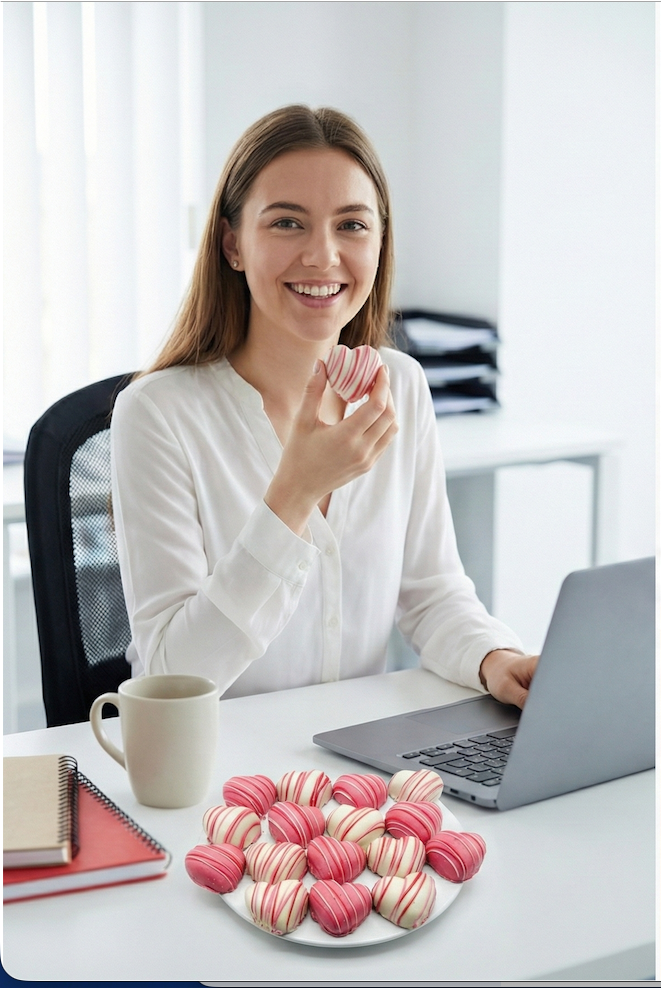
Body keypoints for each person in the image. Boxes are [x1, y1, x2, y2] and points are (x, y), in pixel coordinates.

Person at [111, 104, 538, 709]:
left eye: (352, 225)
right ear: (233, 244)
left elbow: (432, 593)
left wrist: (496, 658)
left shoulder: (401, 386)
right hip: (226, 782)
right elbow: (170, 678)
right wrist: (293, 493)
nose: (322, 256)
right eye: (287, 223)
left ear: (380, 241)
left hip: (357, 778)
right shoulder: (157, 414)